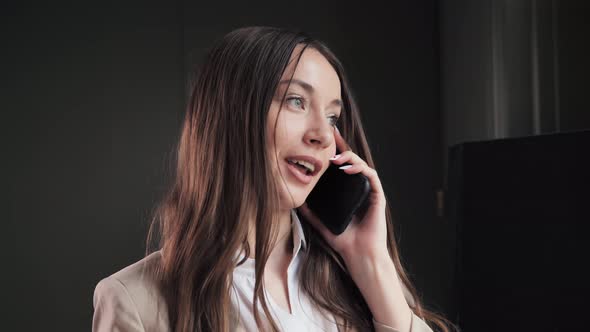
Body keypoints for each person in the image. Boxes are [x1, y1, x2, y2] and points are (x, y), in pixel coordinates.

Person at [92, 26, 456, 332]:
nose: (323, 135)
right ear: (230, 115)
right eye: (297, 101)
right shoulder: (134, 300)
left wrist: (370, 261)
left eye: (332, 117)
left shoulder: (359, 277)